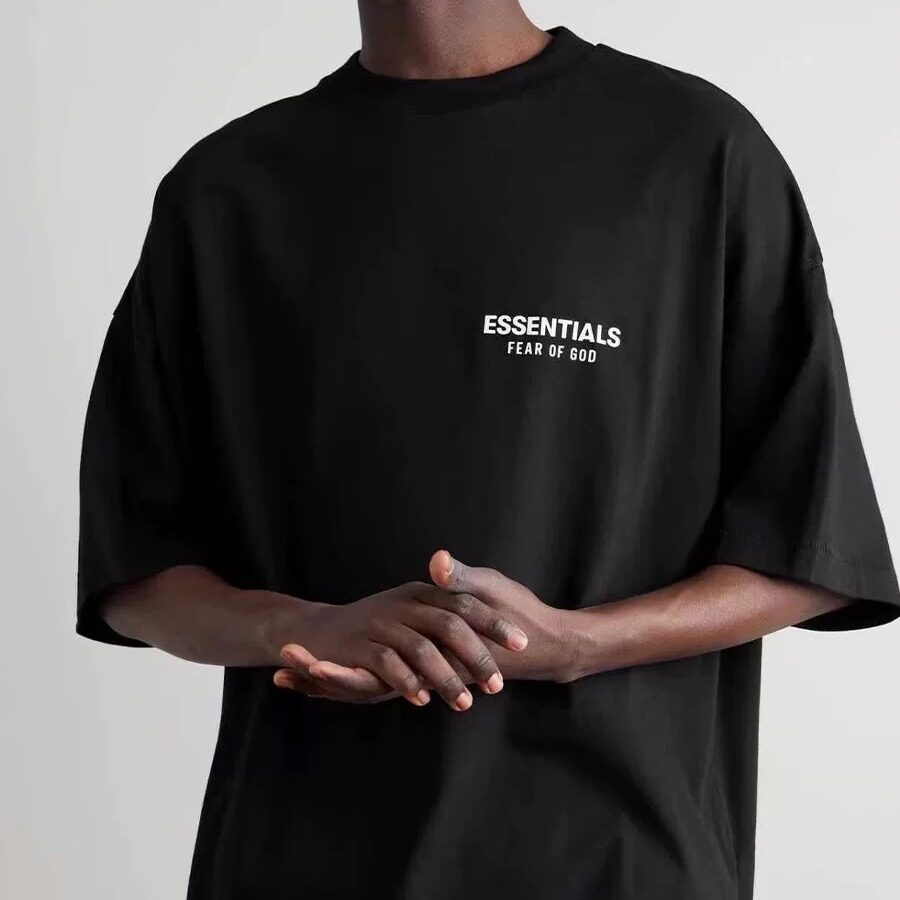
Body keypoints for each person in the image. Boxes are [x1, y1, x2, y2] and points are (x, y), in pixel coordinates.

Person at [76, 3, 899, 899]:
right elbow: (136, 570)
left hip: (619, 861)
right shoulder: (225, 193)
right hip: (297, 863)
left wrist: (579, 644)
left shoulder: (697, 155)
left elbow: (814, 546)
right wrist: (301, 626)